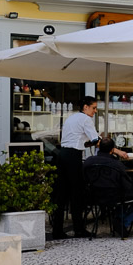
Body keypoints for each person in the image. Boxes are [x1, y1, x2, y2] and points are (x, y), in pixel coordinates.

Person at [51, 97, 99, 239]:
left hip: (62, 155)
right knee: (77, 192)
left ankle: (57, 230)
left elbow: (79, 140)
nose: (95, 111)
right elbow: (95, 140)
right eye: (94, 108)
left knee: (61, 194)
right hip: (73, 157)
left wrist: (89, 143)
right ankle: (79, 229)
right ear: (85, 107)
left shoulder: (71, 118)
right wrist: (115, 150)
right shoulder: (86, 119)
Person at [85, 137, 133, 234]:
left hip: (94, 196)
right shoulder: (117, 164)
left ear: (99, 147)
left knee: (123, 192)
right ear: (112, 150)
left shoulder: (89, 161)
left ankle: (119, 219)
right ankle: (122, 222)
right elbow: (126, 183)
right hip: (115, 196)